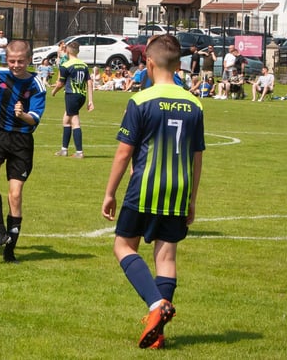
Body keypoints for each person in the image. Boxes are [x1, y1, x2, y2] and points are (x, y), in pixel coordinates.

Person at [101, 34, 204, 349]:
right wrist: (192, 199)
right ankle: (159, 333)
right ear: (178, 65)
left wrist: (110, 192)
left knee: (123, 247)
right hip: (178, 188)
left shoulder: (141, 100)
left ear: (148, 63)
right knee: (166, 255)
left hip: (145, 185)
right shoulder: (195, 103)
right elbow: (197, 156)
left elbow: (123, 153)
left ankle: (155, 306)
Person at [0, 40, 47, 262]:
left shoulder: (36, 84)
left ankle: (10, 251)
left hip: (21, 141)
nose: (16, 65)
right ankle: (0, 230)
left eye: (21, 61)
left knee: (15, 195)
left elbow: (33, 120)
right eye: (12, 61)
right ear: (6, 59)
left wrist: (22, 114)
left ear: (29, 60)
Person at [52, 41, 94, 158]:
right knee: (66, 120)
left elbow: (61, 83)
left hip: (71, 95)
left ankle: (79, 152)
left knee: (74, 121)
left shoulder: (66, 65)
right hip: (81, 95)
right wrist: (90, 100)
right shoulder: (84, 65)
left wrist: (54, 91)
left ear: (68, 51)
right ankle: (64, 150)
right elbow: (89, 83)